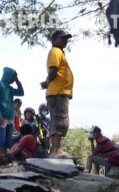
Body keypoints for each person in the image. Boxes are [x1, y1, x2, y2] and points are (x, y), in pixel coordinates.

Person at [40, 30, 74, 159]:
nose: (65, 40)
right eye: (63, 38)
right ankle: (57, 150)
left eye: (66, 38)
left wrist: (46, 82)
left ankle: (54, 150)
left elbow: (54, 72)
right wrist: (48, 82)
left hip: (57, 92)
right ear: (54, 40)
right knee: (61, 120)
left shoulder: (58, 52)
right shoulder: (55, 51)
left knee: (56, 120)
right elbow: (53, 71)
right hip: (59, 92)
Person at [0, 67, 24, 158]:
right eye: (14, 76)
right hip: (1, 117)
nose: (14, 78)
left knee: (7, 142)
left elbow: (21, 93)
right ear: (8, 76)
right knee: (1, 141)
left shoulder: (10, 88)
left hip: (10, 118)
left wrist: (18, 81)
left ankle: (4, 161)